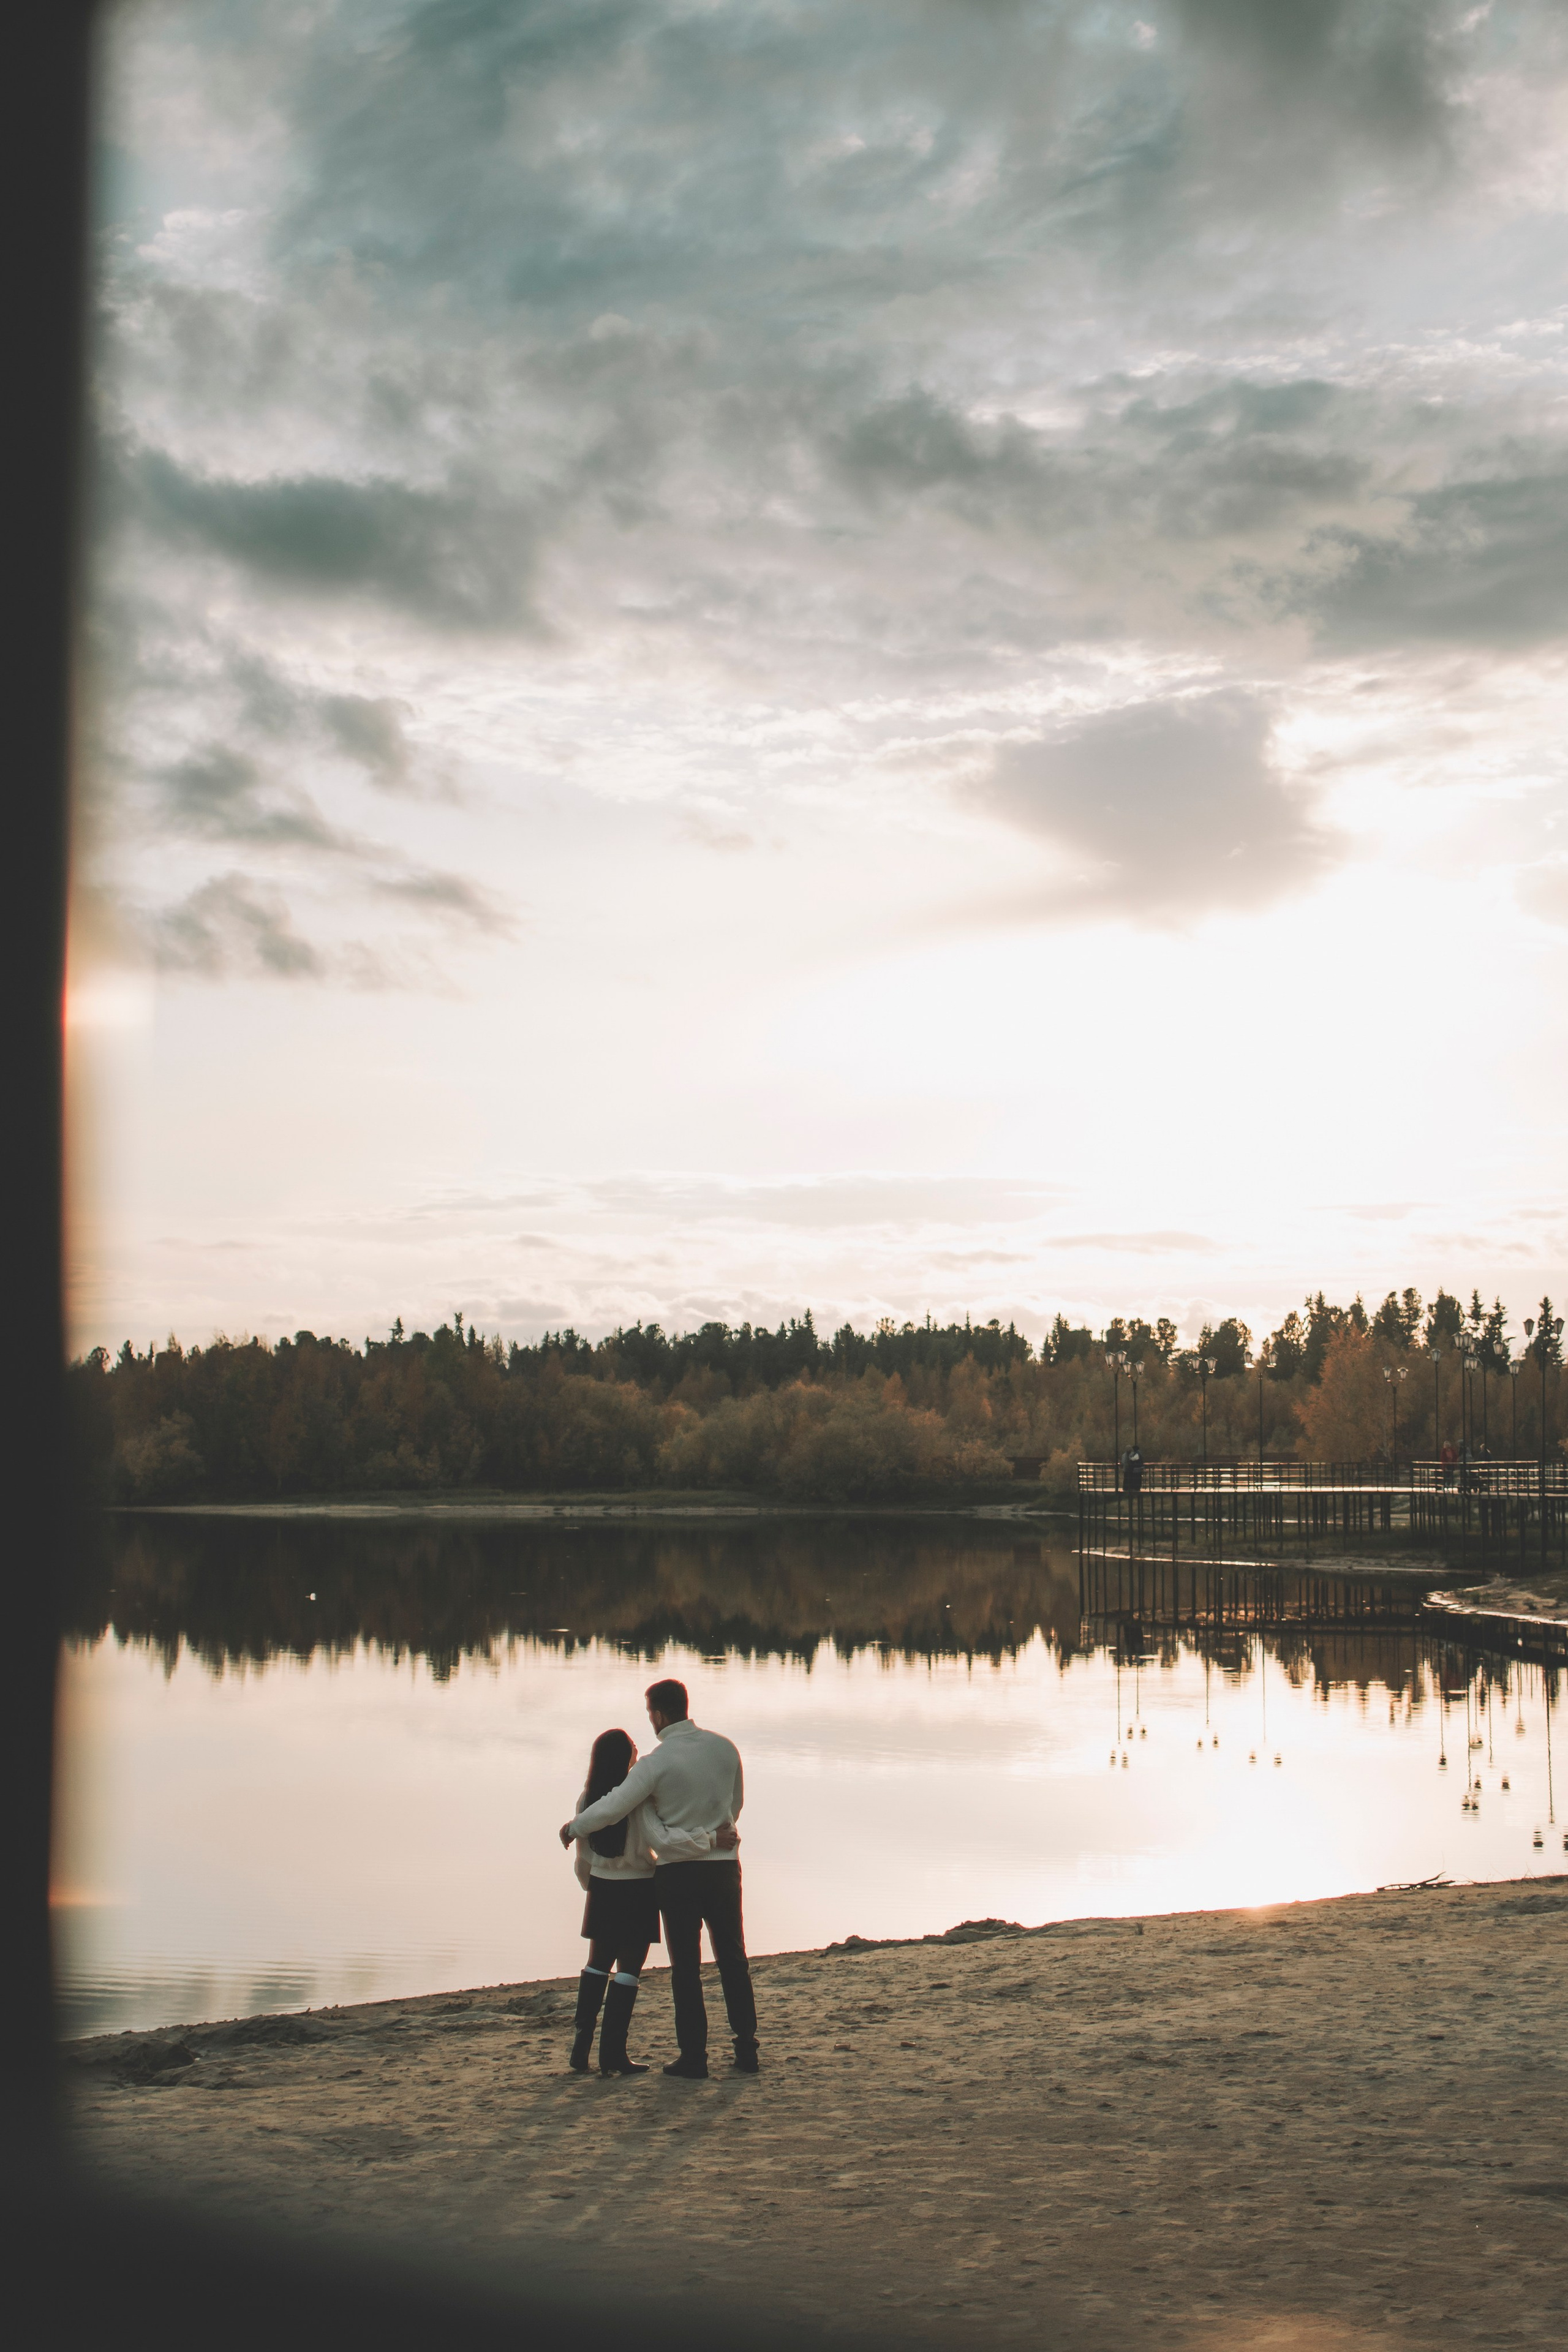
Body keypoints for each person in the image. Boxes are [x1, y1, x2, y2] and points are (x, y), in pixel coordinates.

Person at [562, 1678, 756, 2080]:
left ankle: (694, 2057)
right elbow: (735, 1805)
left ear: (659, 1714)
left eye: (649, 1713)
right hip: (724, 1868)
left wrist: (575, 1828)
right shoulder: (725, 1748)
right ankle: (746, 2047)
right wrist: (714, 1836)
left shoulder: (655, 1764)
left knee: (686, 1967)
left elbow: (613, 1807)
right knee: (733, 1959)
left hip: (679, 1875)